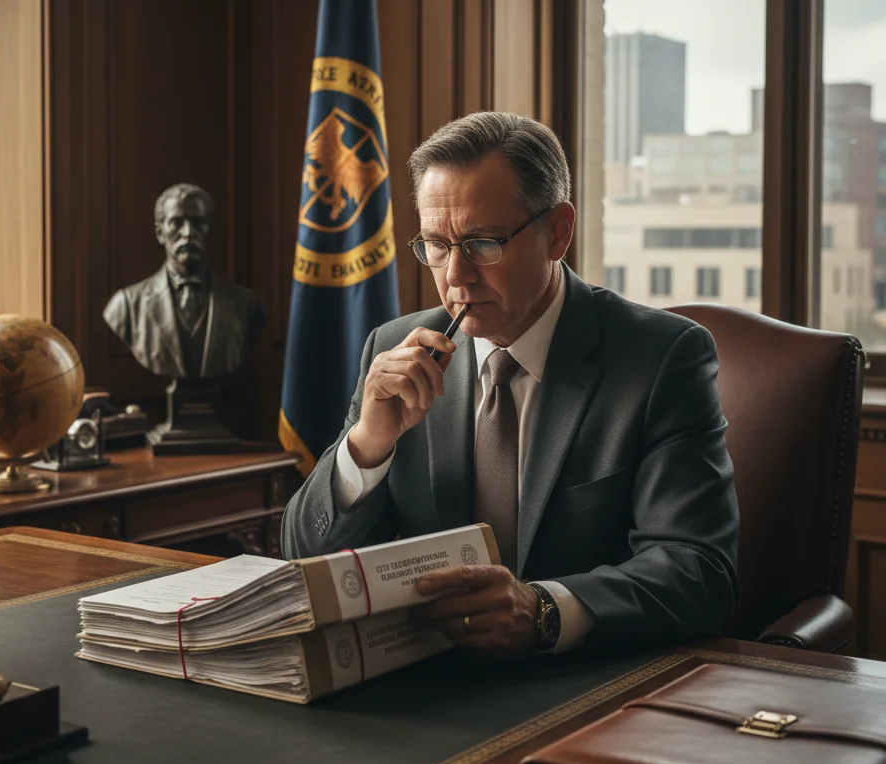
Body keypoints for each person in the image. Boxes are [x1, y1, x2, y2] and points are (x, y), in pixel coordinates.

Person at [281, 112, 739, 655]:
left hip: (590, 683)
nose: (456, 276)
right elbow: (301, 558)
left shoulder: (663, 358)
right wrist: (367, 446)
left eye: (483, 243)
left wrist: (543, 610)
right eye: (437, 245)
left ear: (558, 233)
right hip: (429, 686)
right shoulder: (394, 347)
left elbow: (697, 570)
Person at [104, 183, 265, 379]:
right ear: (159, 233)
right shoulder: (126, 306)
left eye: (198, 222)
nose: (188, 233)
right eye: (177, 222)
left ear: (210, 230)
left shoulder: (246, 305)